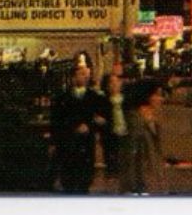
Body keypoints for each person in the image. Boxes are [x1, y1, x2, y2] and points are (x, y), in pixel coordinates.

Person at [49, 60, 109, 193]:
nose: (85, 77)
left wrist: (90, 125)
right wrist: (72, 127)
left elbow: (102, 119)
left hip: (86, 145)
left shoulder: (94, 97)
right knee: (68, 181)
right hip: (68, 144)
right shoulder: (62, 98)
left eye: (86, 74)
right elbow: (57, 121)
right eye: (81, 74)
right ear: (73, 77)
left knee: (84, 180)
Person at [119, 81, 167, 194]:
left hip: (149, 179)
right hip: (139, 183)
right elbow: (131, 157)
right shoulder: (134, 121)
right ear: (146, 97)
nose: (161, 99)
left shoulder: (152, 119)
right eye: (157, 95)